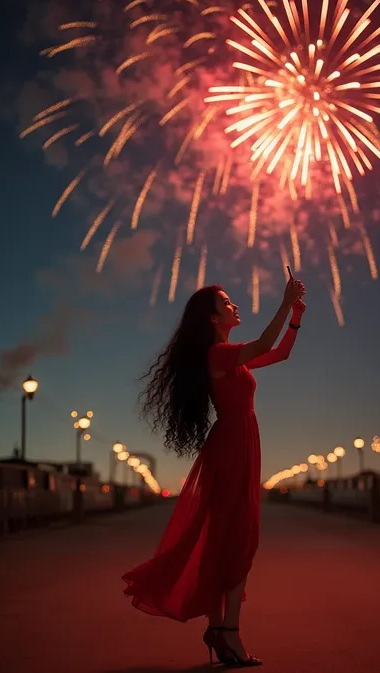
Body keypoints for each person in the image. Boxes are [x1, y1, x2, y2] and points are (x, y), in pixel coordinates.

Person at [122, 277, 306, 667]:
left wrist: (295, 317)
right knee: (239, 539)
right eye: (227, 301)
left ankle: (220, 630)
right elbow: (263, 345)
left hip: (239, 444)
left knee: (230, 537)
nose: (235, 304)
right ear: (211, 317)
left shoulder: (227, 354)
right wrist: (284, 300)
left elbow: (279, 355)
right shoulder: (218, 355)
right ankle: (229, 633)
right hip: (233, 447)